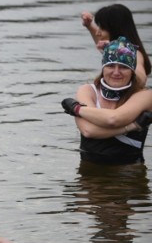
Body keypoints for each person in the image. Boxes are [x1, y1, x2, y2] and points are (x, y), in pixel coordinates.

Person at [61, 36, 152, 165]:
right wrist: (133, 126)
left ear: (132, 71)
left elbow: (113, 119)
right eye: (110, 65)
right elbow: (88, 131)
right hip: (90, 173)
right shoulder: (87, 90)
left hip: (129, 174)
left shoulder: (145, 96)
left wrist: (77, 109)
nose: (116, 72)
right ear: (103, 68)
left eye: (123, 67)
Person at [81, 3, 150, 86]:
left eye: (102, 28)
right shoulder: (114, 50)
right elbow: (100, 40)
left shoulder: (135, 54)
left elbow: (142, 80)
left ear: (115, 29)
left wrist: (117, 50)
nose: (97, 33)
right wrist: (89, 25)